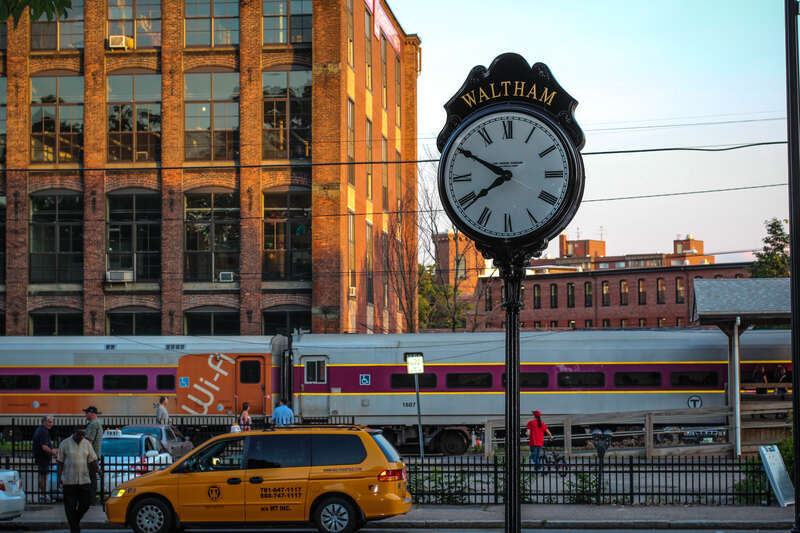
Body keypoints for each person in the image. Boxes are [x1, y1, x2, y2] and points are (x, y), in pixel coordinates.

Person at [57, 427, 98, 533]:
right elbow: (60, 462)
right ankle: (74, 528)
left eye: (83, 435)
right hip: (69, 481)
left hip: (84, 480)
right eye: (79, 434)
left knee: (86, 503)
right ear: (74, 433)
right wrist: (59, 478)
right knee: (70, 506)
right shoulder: (64, 443)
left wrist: (98, 470)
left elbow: (92, 459)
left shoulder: (87, 444)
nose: (81, 437)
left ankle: (74, 522)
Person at [32, 415, 58, 503]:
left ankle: (42, 495)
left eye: (52, 422)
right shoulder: (43, 431)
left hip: (40, 457)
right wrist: (53, 452)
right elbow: (44, 447)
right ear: (44, 422)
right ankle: (44, 496)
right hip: (42, 457)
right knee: (43, 477)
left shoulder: (40, 430)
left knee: (42, 476)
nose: (51, 424)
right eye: (50, 422)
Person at [83, 406, 102, 502]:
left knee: (90, 478)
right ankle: (92, 498)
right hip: (94, 455)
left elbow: (89, 441)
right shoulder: (97, 423)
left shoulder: (93, 424)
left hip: (91, 456)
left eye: (86, 412)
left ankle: (91, 499)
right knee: (92, 477)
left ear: (91, 413)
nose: (85, 414)